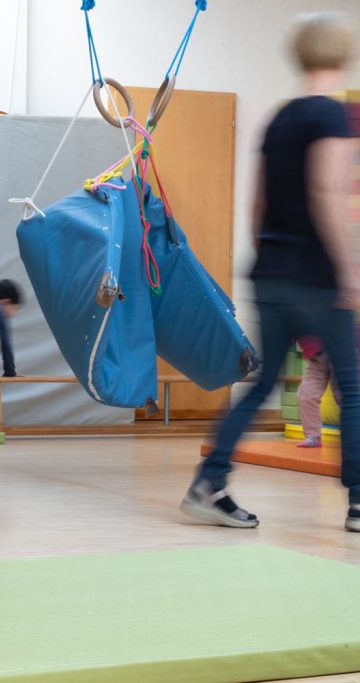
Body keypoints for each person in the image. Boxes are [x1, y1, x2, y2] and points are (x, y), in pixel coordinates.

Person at [181, 12, 360, 531]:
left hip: (272, 271)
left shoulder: (279, 120)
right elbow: (327, 190)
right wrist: (346, 268)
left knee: (261, 385)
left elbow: (258, 203)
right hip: (316, 276)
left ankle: (209, 481)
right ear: (342, 55)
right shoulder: (330, 116)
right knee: (351, 385)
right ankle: (357, 501)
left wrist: (268, 258)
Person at [296, 336, 341, 448]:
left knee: (344, 395)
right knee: (306, 394)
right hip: (317, 355)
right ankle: (313, 436)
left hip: (342, 349)